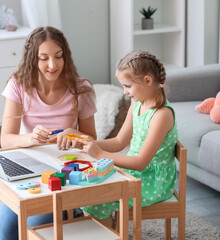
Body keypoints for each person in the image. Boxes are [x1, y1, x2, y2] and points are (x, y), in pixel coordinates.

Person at [0, 26, 97, 240]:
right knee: (6, 233)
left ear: (66, 57)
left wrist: (73, 134)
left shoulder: (81, 89)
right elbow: (6, 139)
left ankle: (72, 210)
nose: (53, 65)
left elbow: (92, 141)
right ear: (33, 58)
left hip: (61, 173)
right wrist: (30, 138)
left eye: (58, 57)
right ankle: (69, 213)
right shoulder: (18, 85)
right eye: (44, 58)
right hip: (29, 167)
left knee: (35, 227)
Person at [75, 50, 178, 227]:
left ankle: (112, 234)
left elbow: (140, 162)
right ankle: (112, 232)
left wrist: (99, 154)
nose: (124, 92)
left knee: (95, 201)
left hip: (152, 181)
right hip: (134, 173)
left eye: (128, 86)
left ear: (147, 81)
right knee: (88, 189)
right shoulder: (137, 104)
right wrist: (89, 143)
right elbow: (118, 142)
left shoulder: (161, 115)